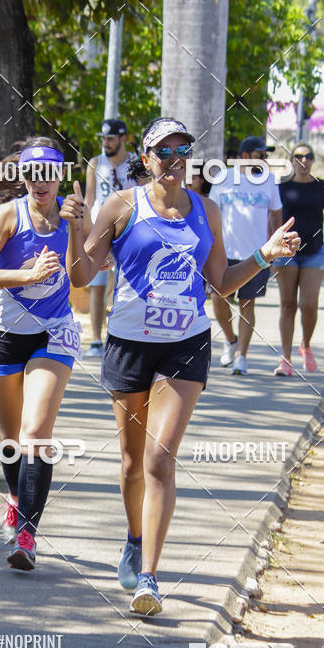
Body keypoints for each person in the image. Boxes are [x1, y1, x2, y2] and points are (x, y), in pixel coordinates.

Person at [61, 117, 300, 615]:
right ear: (144, 160)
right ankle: (133, 537)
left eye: (182, 149)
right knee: (130, 463)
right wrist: (74, 227)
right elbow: (83, 274)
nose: (173, 160)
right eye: (162, 151)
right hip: (128, 343)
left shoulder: (206, 211)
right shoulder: (121, 206)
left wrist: (263, 256)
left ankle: (149, 576)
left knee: (158, 460)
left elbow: (219, 284)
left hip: (185, 345)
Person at [0, 137, 90, 571]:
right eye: (32, 174)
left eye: (49, 173)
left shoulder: (76, 216)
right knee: (9, 440)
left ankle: (27, 536)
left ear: (60, 176)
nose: (40, 182)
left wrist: (79, 229)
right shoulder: (9, 215)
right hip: (2, 333)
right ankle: (16, 497)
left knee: (35, 433)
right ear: (23, 176)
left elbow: (80, 278)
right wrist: (26, 274)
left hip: (53, 333)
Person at [209, 136, 282, 375]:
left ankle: (242, 357)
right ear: (244, 157)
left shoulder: (269, 180)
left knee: (247, 304)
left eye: (265, 155)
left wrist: (273, 250)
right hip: (224, 253)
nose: (263, 159)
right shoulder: (223, 178)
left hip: (257, 254)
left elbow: (276, 216)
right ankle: (231, 341)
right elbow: (212, 214)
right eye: (259, 154)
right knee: (219, 300)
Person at [271, 142, 324, 376]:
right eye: (298, 157)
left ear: (314, 160)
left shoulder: (322, 186)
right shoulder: (281, 187)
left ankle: (305, 345)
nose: (303, 161)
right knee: (287, 305)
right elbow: (273, 218)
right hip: (286, 252)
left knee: (309, 304)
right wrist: (269, 249)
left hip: (314, 252)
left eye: (308, 157)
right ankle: (285, 359)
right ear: (291, 160)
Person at [83, 119, 137, 357]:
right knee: (97, 285)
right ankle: (96, 339)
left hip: (128, 231)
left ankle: (122, 335)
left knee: (127, 285)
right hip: (100, 228)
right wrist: (84, 230)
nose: (106, 143)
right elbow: (89, 199)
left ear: (123, 139)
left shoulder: (136, 162)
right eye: (103, 138)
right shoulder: (95, 164)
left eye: (111, 138)